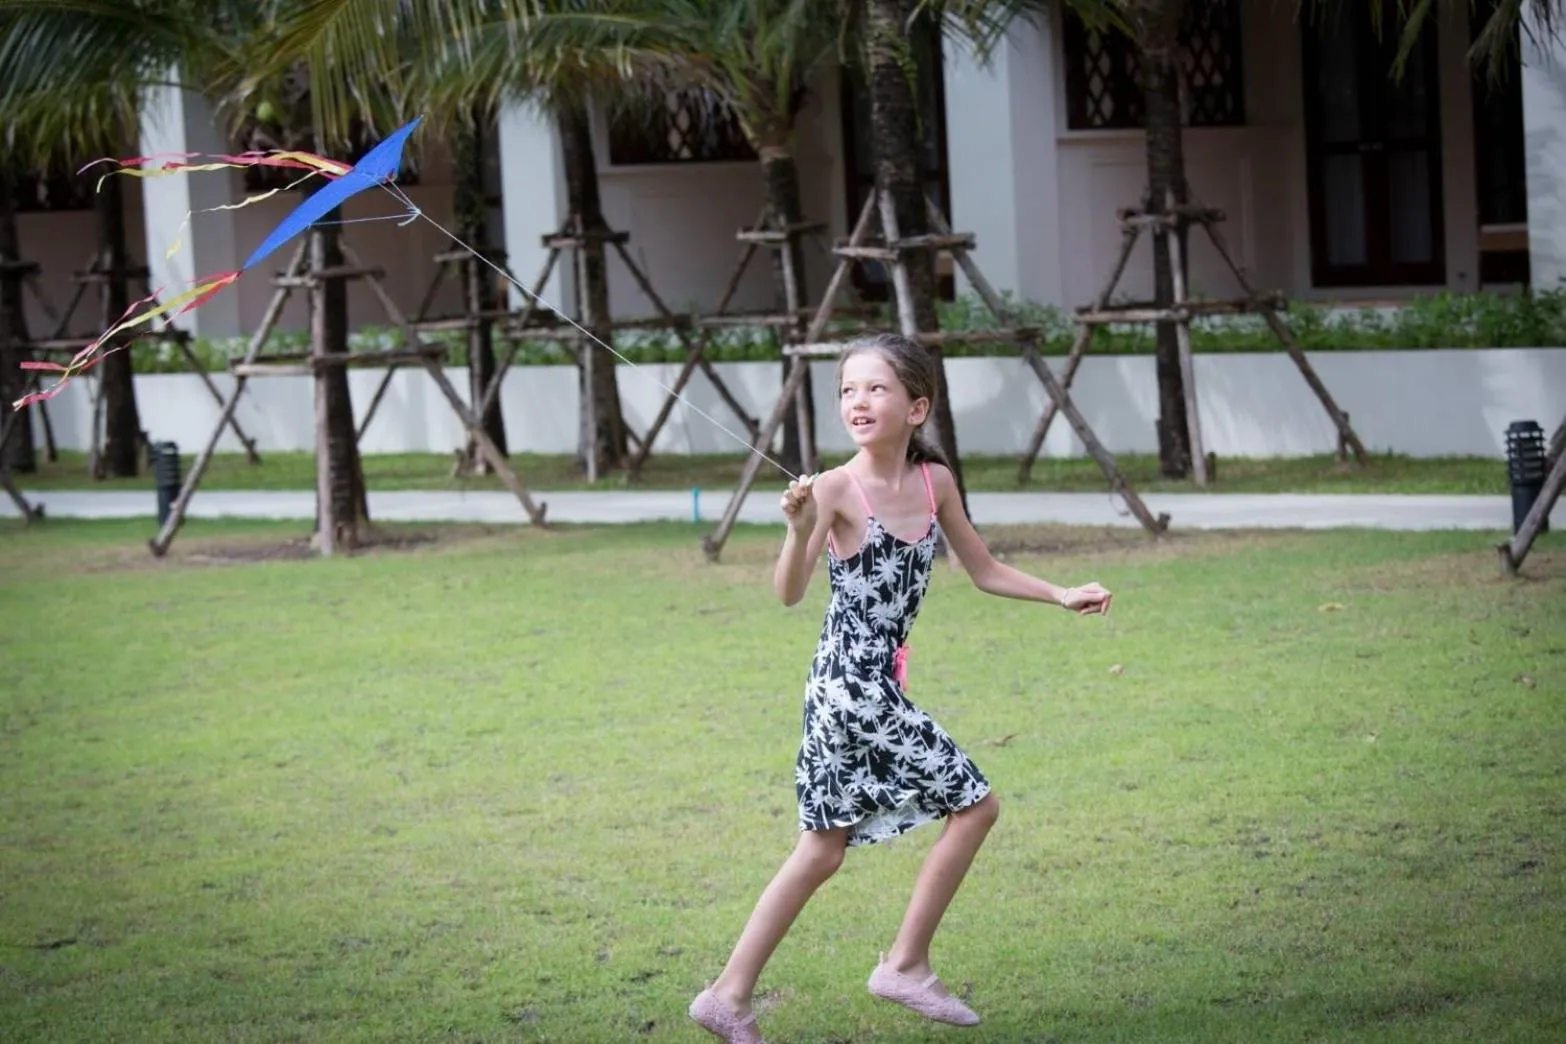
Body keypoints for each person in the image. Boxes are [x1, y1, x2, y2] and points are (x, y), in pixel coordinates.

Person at [689, 333, 1113, 1042]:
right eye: (848, 389)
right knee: (975, 806)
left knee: (822, 850)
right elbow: (790, 592)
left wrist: (1062, 592)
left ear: (917, 407)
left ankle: (726, 998)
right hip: (846, 688)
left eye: (876, 388)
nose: (858, 400)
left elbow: (983, 569)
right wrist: (798, 532)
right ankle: (905, 966)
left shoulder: (933, 482)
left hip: (870, 682)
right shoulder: (832, 489)